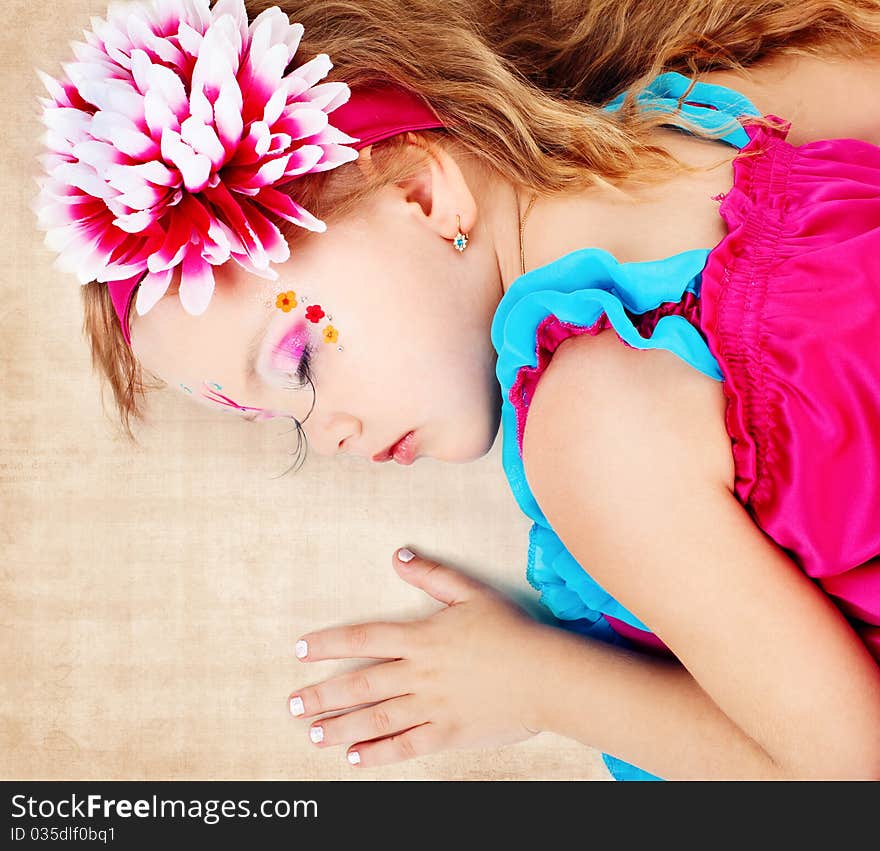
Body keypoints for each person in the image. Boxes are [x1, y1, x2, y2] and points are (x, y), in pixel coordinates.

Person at [35, 0, 880, 779]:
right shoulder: (729, 95)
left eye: (298, 362)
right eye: (283, 421)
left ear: (421, 190)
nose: (326, 437)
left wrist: (537, 683)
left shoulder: (592, 428)